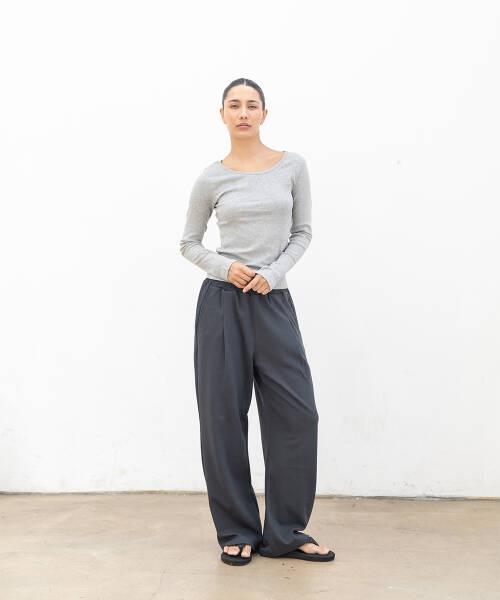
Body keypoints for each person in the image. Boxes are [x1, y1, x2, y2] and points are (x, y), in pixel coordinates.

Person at [179, 77, 335, 566]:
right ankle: (237, 529)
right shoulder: (211, 178)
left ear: (264, 114)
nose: (243, 112)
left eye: (252, 105)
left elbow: (302, 232)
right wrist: (226, 267)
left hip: (273, 301)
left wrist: (272, 273)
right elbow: (189, 243)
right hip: (222, 304)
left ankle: (286, 531)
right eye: (234, 105)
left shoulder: (292, 166)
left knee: (297, 415)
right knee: (223, 417)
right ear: (222, 114)